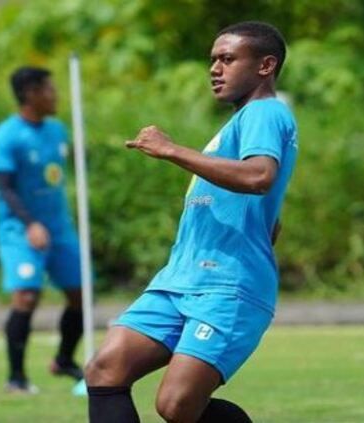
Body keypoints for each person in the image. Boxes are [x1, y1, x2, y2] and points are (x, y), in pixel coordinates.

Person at [84, 21, 297, 423]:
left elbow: (258, 176)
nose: (215, 69)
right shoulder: (238, 124)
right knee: (105, 369)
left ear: (266, 65)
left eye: (228, 59)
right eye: (213, 60)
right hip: (180, 280)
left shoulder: (265, 112)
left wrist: (171, 150)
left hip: (225, 286)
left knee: (177, 405)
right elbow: (265, 214)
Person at [0, 66, 85, 393]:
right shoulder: (6, 136)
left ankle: (64, 360)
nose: (55, 95)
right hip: (21, 230)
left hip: (61, 228)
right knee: (27, 296)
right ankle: (16, 378)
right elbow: (5, 187)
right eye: (48, 89)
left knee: (81, 295)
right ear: (30, 94)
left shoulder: (58, 130)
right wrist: (31, 224)